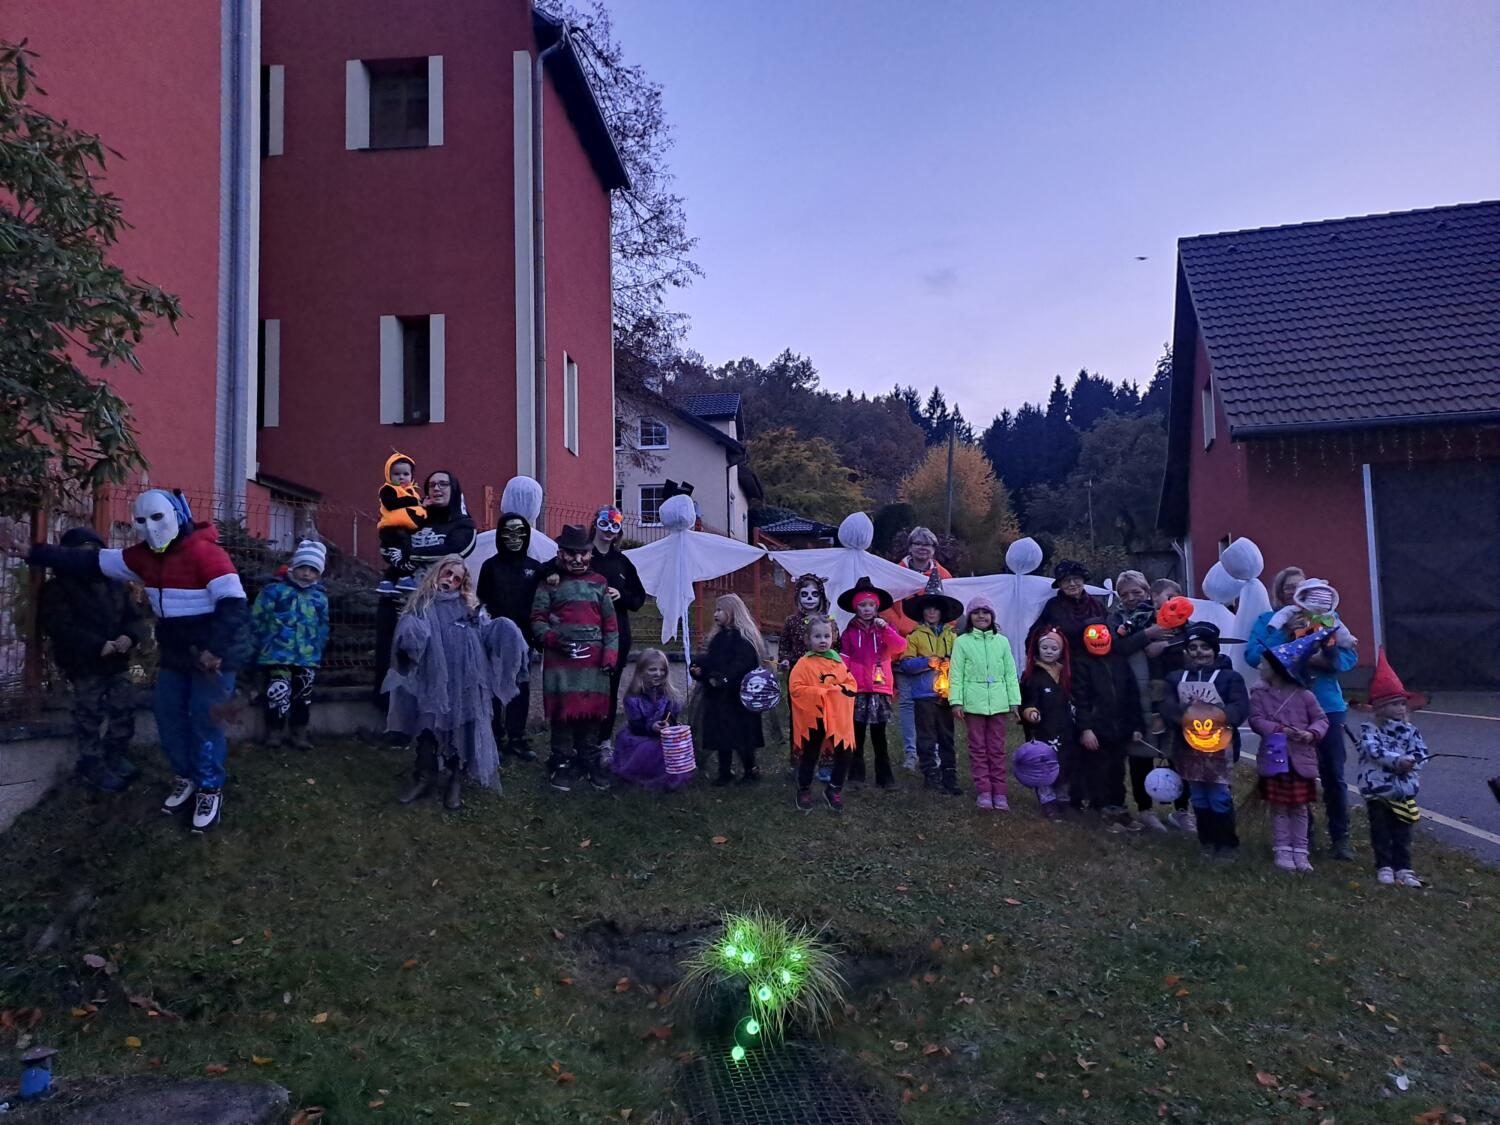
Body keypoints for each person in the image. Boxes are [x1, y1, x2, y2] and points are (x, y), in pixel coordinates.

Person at [23, 489, 248, 833]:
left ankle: (209, 787)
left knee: (205, 719)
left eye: (157, 517)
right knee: (168, 715)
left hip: (213, 658)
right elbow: (90, 561)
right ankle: (186, 776)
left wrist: (215, 649)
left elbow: (234, 605)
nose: (150, 527)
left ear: (176, 516)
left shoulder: (207, 553)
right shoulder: (141, 558)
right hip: (176, 656)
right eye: (141, 520)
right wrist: (32, 552)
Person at [386, 556, 528, 811]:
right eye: (447, 573)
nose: (450, 580)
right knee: (428, 729)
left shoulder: (469, 607)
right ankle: (424, 776)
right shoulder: (422, 604)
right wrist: (411, 631)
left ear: (462, 584)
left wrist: (503, 628)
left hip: (467, 681)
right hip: (434, 680)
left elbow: (486, 632)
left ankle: (455, 781)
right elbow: (411, 633)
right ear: (437, 573)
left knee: (461, 730)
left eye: (457, 578)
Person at [1246, 576, 1359, 860]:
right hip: (1284, 708)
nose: (1295, 591)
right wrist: (1285, 635)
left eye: (1300, 586)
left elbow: (1349, 658)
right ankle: (1299, 836)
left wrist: (1324, 660)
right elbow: (1254, 655)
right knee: (1291, 773)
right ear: (1280, 591)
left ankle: (1340, 837)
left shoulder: (1327, 617)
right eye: (1289, 587)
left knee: (1332, 773)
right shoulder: (1269, 620)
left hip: (1326, 705)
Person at [35, 527, 149, 792]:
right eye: (82, 552)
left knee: (123, 709)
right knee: (89, 715)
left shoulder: (114, 586)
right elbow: (60, 626)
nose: (88, 558)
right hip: (83, 663)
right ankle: (91, 764)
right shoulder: (57, 589)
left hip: (116, 661)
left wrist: (128, 637)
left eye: (94, 552)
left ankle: (115, 755)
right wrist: (97, 645)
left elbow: (134, 618)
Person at [373, 469, 477, 706]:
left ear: (454, 490)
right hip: (399, 599)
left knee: (432, 661)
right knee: (395, 655)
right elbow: (388, 543)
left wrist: (410, 554)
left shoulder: (463, 524)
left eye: (443, 484)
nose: (437, 488)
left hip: (439, 605)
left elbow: (455, 551)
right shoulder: (413, 517)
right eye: (432, 485)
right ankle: (390, 712)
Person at [531, 525, 619, 793]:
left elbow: (611, 626)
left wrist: (610, 655)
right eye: (571, 553)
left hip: (593, 663)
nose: (578, 559)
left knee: (591, 715)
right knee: (562, 714)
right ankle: (562, 761)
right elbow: (537, 619)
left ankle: (589, 758)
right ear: (560, 553)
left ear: (591, 553)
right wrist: (551, 638)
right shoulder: (549, 583)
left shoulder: (600, 583)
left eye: (583, 553)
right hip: (561, 661)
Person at [1161, 621, 1250, 860]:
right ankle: (1207, 840)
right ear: (1186, 651)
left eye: (1205, 647)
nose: (1199, 652)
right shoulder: (1175, 678)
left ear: (1214, 650)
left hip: (1220, 747)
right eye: (1193, 647)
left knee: (1219, 795)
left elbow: (1240, 707)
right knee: (1198, 794)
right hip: (1188, 745)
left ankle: (1227, 843)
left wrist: (1218, 714)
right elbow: (1167, 705)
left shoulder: (1230, 678)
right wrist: (1185, 715)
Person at [1110, 571, 1182, 831]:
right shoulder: (1116, 618)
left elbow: (1188, 634)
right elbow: (1116, 647)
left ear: (1148, 592)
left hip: (1167, 689)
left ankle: (1182, 809)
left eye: (1136, 592)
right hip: (1134, 692)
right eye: (1124, 594)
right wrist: (1148, 635)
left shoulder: (1166, 612)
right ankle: (1145, 809)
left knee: (1174, 750)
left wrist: (1164, 645)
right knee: (1140, 752)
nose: (1130, 598)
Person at [1249, 651, 1328, 872]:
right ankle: (1282, 848)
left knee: (1300, 807)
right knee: (1279, 806)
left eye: (1264, 664)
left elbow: (1321, 719)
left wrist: (1311, 733)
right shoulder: (1259, 695)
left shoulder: (1304, 695)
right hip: (1275, 757)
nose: (1260, 667)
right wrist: (1279, 729)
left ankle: (1301, 850)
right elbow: (1255, 720)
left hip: (1301, 759)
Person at [248, 540, 330, 751]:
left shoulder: (319, 597)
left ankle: (299, 733)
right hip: (277, 654)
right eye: (303, 567)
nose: (307, 574)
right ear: (294, 566)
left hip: (307, 657)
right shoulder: (274, 591)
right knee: (278, 693)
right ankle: (274, 732)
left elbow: (323, 625)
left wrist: (317, 645)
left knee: (303, 696)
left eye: (313, 570)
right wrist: (261, 643)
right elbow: (258, 618)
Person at [1357, 650, 1430, 887]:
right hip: (1377, 788)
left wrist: (1413, 762)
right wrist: (1398, 761)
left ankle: (1404, 868)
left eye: (1402, 704)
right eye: (1395, 704)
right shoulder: (1370, 729)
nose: (1400, 708)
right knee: (1381, 829)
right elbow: (1373, 750)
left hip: (1404, 790)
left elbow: (1421, 752)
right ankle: (1384, 865)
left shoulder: (1411, 731)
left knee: (1402, 830)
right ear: (1380, 707)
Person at [883, 527, 952, 772]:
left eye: (928, 544)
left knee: (934, 704)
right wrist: (904, 627)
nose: (922, 548)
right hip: (902, 647)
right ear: (910, 546)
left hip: (934, 653)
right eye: (918, 544)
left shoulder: (944, 575)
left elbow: (951, 608)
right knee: (907, 703)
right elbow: (886, 604)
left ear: (934, 549)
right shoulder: (897, 572)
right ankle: (911, 752)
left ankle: (933, 752)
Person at [476, 510, 543, 764]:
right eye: (508, 533)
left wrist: (536, 635)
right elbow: (482, 601)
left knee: (520, 687)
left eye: (520, 533)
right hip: (495, 639)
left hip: (524, 639)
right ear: (499, 536)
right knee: (494, 687)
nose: (514, 538)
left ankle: (517, 737)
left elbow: (539, 603)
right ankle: (495, 737)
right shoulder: (490, 566)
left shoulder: (534, 567)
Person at [581, 506, 646, 754]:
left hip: (617, 635)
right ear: (595, 524)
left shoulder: (622, 562)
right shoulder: (582, 556)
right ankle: (581, 741)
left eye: (615, 526)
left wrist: (622, 595)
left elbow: (638, 598)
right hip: (585, 632)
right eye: (605, 524)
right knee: (584, 687)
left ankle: (603, 741)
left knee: (609, 688)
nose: (609, 530)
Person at [1070, 618, 1144, 832]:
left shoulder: (1119, 661)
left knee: (1118, 771)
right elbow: (1079, 699)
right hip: (1096, 729)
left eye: (1102, 633)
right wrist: (1085, 729)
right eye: (1093, 634)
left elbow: (1132, 695)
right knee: (1098, 770)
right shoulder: (1081, 663)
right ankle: (1100, 808)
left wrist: (1136, 725)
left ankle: (1118, 807)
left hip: (1120, 727)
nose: (1098, 638)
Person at [949, 594, 1021, 811]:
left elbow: (1010, 674)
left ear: (992, 616)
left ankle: (1000, 792)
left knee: (997, 749)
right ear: (970, 617)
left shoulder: (1002, 642)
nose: (981, 616)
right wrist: (956, 701)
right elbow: (956, 674)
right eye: (976, 613)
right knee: (978, 748)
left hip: (998, 703)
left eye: (985, 612)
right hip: (974, 704)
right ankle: (984, 790)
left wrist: (1014, 701)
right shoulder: (962, 642)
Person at [894, 574, 963, 794]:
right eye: (928, 609)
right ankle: (930, 773)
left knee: (946, 735)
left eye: (935, 609)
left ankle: (949, 774)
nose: (931, 612)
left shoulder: (952, 637)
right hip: (923, 694)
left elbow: (961, 660)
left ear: (942, 612)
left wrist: (951, 662)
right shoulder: (914, 636)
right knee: (926, 735)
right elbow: (906, 664)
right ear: (922, 612)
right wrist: (927, 662)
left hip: (946, 694)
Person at [836, 577, 907, 789]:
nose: (866, 609)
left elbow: (900, 647)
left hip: (879, 687)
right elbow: (844, 658)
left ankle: (885, 777)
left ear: (876, 607)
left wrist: (886, 630)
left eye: (870, 605)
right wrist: (842, 681)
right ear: (855, 608)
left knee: (879, 735)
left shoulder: (885, 628)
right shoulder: (849, 632)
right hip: (856, 688)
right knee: (856, 733)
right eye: (862, 605)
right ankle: (856, 775)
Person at [690, 593, 766, 785]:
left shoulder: (744, 640)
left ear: (733, 612)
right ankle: (724, 773)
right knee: (721, 736)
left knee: (743, 737)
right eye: (715, 610)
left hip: (739, 698)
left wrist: (724, 679)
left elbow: (741, 666)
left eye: (720, 610)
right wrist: (700, 671)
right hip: (718, 698)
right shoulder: (717, 638)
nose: (715, 614)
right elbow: (711, 660)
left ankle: (750, 770)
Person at [789, 614, 858, 813]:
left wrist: (840, 691)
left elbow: (851, 684)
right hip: (814, 717)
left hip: (836, 718)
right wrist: (821, 692)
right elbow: (795, 688)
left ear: (833, 637)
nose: (822, 640)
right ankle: (804, 788)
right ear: (808, 639)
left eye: (826, 636)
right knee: (810, 753)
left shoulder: (837, 662)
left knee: (845, 752)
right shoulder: (804, 664)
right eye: (817, 636)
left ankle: (834, 788)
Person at [610, 649, 690, 790]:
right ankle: (642, 774)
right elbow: (635, 725)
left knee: (672, 746)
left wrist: (668, 723)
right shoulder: (633, 697)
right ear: (641, 672)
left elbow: (671, 716)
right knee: (648, 748)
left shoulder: (670, 695)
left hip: (663, 735)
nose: (658, 673)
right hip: (640, 735)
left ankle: (666, 775)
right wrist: (651, 727)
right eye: (652, 669)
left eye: (662, 670)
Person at [1019, 626, 1074, 819]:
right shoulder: (1032, 675)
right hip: (1042, 728)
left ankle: (1063, 796)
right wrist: (1030, 711)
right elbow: (1027, 700)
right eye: (1045, 648)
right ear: (1038, 649)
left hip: (1064, 726)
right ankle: (1047, 799)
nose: (1049, 652)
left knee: (1065, 760)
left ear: (1061, 651)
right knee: (1044, 762)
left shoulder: (1065, 674)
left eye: (1054, 648)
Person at [1030, 559, 1108, 660]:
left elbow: (1108, 634)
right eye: (1066, 580)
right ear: (1060, 584)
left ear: (1083, 580)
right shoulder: (1053, 606)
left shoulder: (1096, 605)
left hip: (1094, 662)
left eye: (1076, 578)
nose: (1072, 584)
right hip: (1063, 663)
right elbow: (1036, 634)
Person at [376, 452, 426, 596]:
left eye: (406, 474)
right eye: (397, 474)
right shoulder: (388, 490)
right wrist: (415, 502)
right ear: (389, 475)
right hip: (391, 530)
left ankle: (389, 582)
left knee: (404, 556)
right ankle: (403, 578)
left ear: (412, 476)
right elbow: (391, 504)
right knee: (401, 556)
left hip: (406, 531)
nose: (401, 477)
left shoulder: (412, 493)